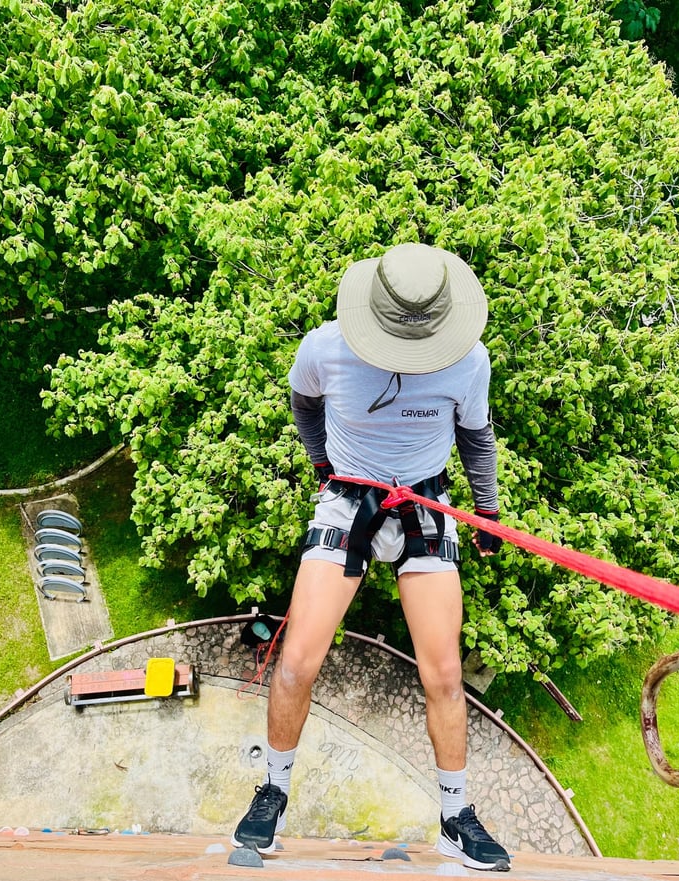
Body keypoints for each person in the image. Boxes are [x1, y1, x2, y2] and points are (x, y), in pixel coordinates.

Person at [231, 242, 510, 873]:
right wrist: (322, 464)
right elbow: (304, 404)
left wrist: (487, 509)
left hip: (424, 505)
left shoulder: (468, 360)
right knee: (296, 662)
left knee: (444, 674)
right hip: (347, 501)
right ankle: (272, 790)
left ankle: (456, 818)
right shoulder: (325, 348)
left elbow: (476, 435)